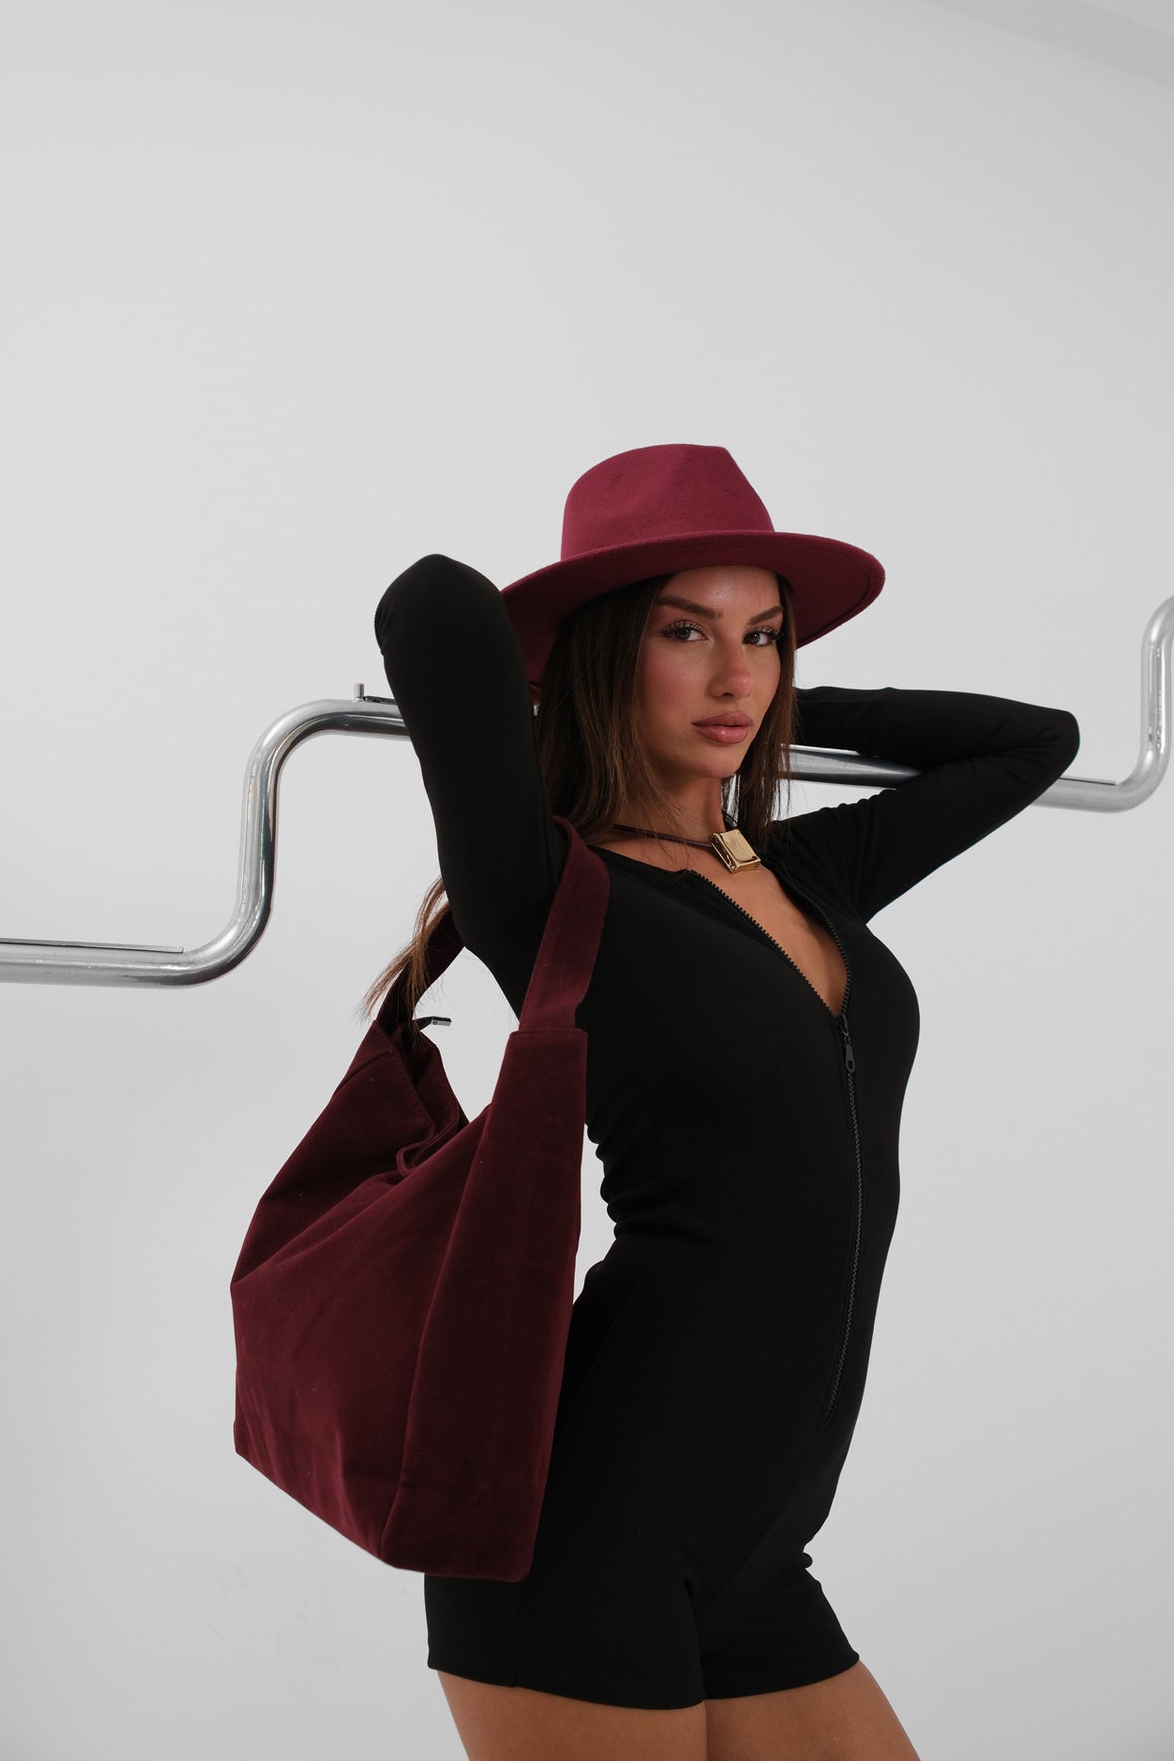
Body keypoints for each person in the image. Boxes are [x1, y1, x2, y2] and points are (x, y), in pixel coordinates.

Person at [369, 444, 1080, 1761]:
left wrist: (768, 697)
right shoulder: (549, 891)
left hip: (760, 1556)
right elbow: (430, 604)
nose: (736, 675)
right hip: (583, 1539)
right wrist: (558, 672)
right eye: (683, 632)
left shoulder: (803, 871)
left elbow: (1033, 742)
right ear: (601, 653)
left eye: (764, 636)